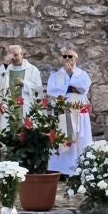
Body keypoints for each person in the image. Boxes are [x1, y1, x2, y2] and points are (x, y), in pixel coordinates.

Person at [45, 47, 92, 175]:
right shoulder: (55, 75)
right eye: (64, 56)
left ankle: (81, 168)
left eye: (70, 56)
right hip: (63, 113)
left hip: (79, 114)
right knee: (63, 141)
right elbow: (51, 90)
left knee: (79, 141)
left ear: (76, 59)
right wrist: (70, 87)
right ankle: (63, 169)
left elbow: (84, 88)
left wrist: (71, 76)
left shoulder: (82, 74)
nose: (67, 59)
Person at [0, 44, 41, 110]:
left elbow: (38, 89)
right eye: (11, 56)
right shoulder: (6, 69)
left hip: (26, 108)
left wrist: (24, 83)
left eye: (16, 55)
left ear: (21, 54)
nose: (13, 58)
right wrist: (5, 63)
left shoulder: (32, 70)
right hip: (10, 109)